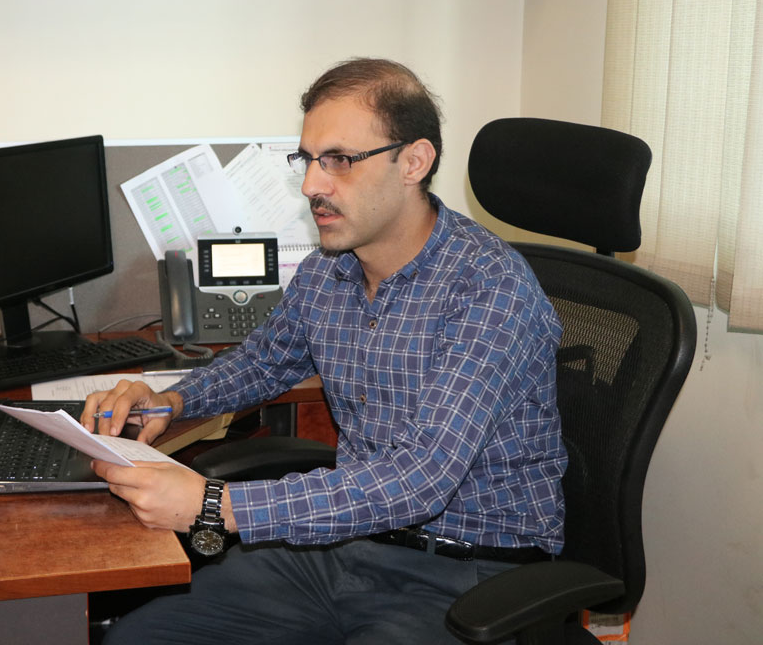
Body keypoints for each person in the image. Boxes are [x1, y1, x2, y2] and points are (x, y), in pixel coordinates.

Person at [82, 58, 566, 644]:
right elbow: (263, 362)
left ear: (413, 161)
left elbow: (420, 479)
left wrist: (217, 505)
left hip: (469, 572)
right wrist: (167, 400)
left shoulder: (489, 288)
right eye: (307, 160)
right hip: (343, 549)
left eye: (339, 160)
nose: (312, 184)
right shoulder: (328, 272)